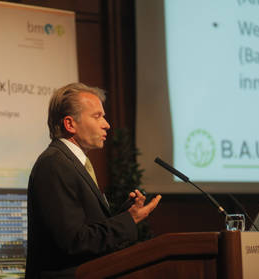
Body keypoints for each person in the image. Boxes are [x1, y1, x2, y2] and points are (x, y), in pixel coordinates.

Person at [26, 82, 161, 279]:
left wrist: (123, 215)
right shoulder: (54, 164)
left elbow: (86, 230)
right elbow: (74, 242)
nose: (106, 124)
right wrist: (128, 221)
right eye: (97, 116)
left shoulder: (73, 163)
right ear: (70, 124)